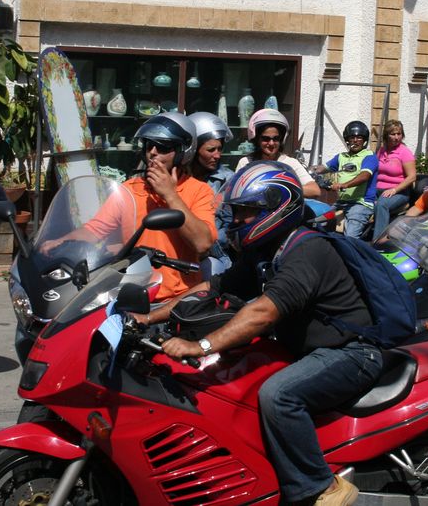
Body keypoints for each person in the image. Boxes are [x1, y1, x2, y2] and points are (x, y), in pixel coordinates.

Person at [161, 162, 382, 505]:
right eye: (236, 211)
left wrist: (200, 345)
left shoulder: (307, 250)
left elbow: (262, 313)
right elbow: (213, 287)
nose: (236, 220)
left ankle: (321, 487)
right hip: (308, 351)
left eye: (246, 211)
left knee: (278, 395)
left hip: (351, 353)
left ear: (276, 207)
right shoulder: (267, 251)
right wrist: (148, 315)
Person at [45, 113, 216, 300]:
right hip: (133, 292)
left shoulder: (199, 190)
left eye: (162, 147)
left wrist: (170, 195)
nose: (153, 152)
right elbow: (94, 230)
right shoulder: (129, 190)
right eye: (149, 145)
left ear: (183, 152)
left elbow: (202, 244)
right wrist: (60, 242)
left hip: (177, 298)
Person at [187, 111, 234, 278]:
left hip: (215, 256)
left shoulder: (228, 181)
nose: (217, 155)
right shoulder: (177, 179)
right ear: (193, 150)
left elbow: (228, 229)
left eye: (220, 149)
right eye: (211, 150)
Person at [312, 120, 378, 238]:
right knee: (318, 222)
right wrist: (308, 170)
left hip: (360, 203)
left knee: (350, 237)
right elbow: (323, 168)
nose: (356, 140)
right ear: (347, 140)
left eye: (359, 137)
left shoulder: (369, 156)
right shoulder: (341, 157)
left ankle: (353, 249)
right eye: (352, 137)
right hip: (341, 202)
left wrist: (344, 185)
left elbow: (364, 176)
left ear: (364, 140)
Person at [236, 108, 320, 199]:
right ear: (256, 139)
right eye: (266, 139)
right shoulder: (246, 163)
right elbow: (235, 191)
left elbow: (315, 190)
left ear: (281, 139)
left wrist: (283, 188)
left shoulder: (291, 163)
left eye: (276, 139)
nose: (271, 143)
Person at [371, 119, 416, 239]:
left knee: (382, 204)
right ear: (386, 135)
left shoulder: (404, 152)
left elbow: (412, 177)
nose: (396, 137)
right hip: (378, 190)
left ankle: (379, 240)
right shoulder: (381, 151)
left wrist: (394, 190)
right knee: (362, 201)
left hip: (398, 192)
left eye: (399, 134)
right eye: (393, 134)